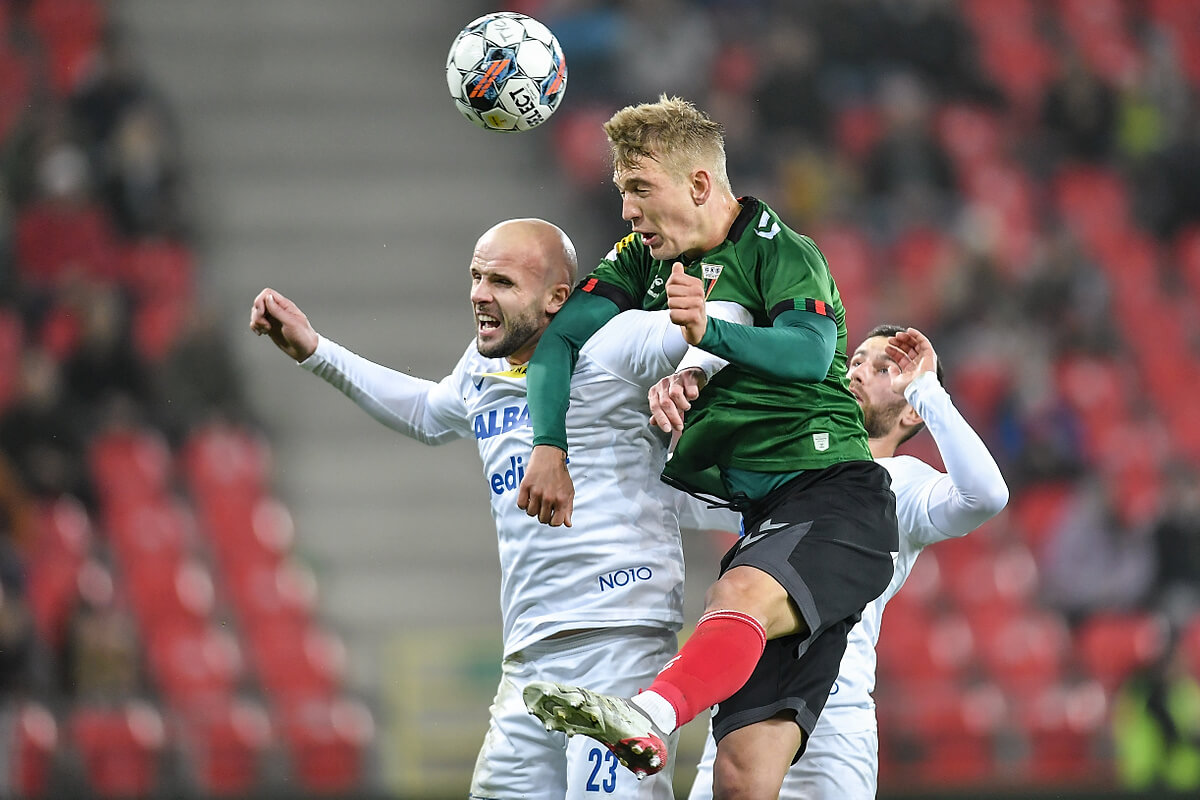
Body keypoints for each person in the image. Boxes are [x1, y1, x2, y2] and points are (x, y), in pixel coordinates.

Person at [248, 218, 743, 799]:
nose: (480, 294)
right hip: (529, 660)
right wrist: (315, 351)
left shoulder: (614, 341)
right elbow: (428, 413)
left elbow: (730, 317)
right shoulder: (482, 367)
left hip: (618, 643)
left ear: (558, 297)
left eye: (502, 282)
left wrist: (691, 369)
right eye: (477, 277)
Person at [519, 95, 899, 796]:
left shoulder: (780, 251)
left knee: (737, 588)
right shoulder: (640, 260)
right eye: (620, 191)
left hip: (836, 495)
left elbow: (810, 353)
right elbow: (560, 342)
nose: (628, 211)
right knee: (740, 776)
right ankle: (655, 718)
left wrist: (708, 335)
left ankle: (647, 714)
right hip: (772, 519)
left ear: (698, 185)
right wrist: (549, 446)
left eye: (639, 189)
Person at [687, 324, 1009, 799]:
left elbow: (985, 495)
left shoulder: (902, 483)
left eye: (885, 370)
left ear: (911, 415)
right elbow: (676, 497)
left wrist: (926, 389)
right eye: (855, 361)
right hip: (745, 701)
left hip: (833, 722)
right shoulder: (783, 464)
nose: (858, 372)